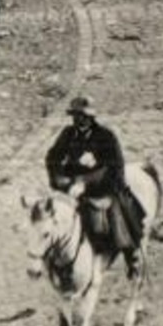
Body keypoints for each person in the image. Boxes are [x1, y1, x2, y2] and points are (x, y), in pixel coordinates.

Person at [44, 97, 143, 259]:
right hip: (71, 186)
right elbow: (52, 157)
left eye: (81, 116)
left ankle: (130, 254)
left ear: (90, 117)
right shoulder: (67, 134)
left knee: (115, 212)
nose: (78, 120)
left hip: (100, 187)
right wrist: (59, 179)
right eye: (75, 116)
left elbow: (114, 167)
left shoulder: (105, 136)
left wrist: (87, 182)